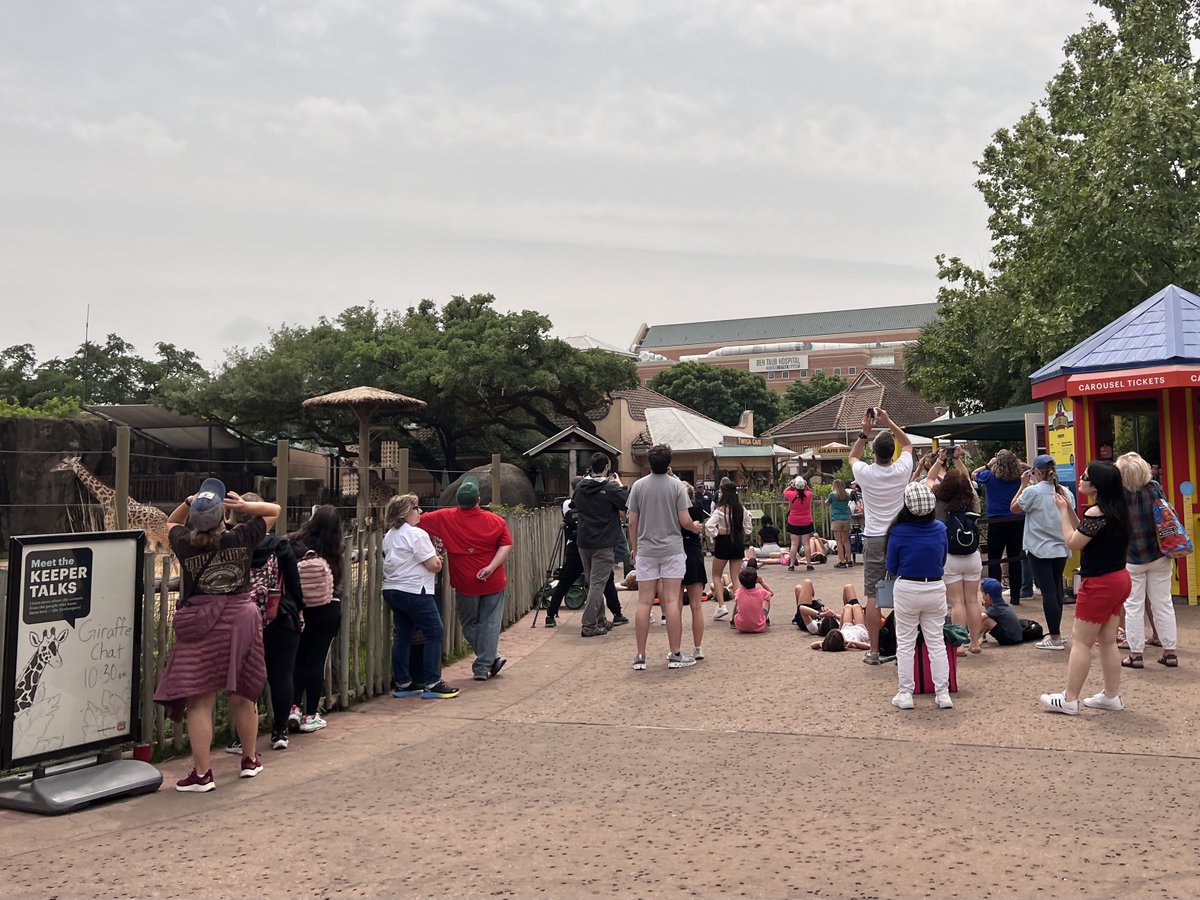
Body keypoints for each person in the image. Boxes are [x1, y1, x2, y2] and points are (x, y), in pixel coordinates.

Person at [156, 478, 280, 792]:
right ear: (223, 517)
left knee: (200, 700)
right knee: (243, 693)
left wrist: (188, 501)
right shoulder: (241, 536)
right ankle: (250, 759)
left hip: (200, 621)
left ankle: (202, 774)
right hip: (240, 618)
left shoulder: (183, 542)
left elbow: (170, 522)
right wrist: (242, 506)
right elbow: (274, 510)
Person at [1040, 460, 1131, 715]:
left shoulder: (1096, 513)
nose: (1080, 479)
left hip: (1099, 583)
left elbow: (1073, 542)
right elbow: (1085, 529)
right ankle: (1112, 695)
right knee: (1108, 640)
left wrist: (1060, 512)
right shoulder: (1116, 510)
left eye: (1085, 476)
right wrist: (1069, 508)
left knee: (1081, 642)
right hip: (1119, 578)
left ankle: (1070, 698)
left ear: (1097, 485)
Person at [225, 493, 303, 755]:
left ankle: (241, 738)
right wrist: (299, 610)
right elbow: (293, 582)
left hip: (242, 619)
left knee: (246, 680)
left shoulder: (229, 546)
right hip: (279, 615)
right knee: (282, 675)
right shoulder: (280, 546)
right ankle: (279, 732)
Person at [420, 477, 514, 681]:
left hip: (464, 581)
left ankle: (485, 663)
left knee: (469, 622)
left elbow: (419, 519)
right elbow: (506, 544)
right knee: (490, 622)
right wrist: (491, 567)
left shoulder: (445, 517)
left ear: (458, 501)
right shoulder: (495, 520)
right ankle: (488, 661)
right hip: (493, 579)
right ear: (478, 500)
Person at [627, 444, 705, 671]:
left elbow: (632, 521)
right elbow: (684, 520)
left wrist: (635, 548)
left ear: (649, 462)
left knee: (644, 601)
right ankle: (675, 654)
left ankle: (640, 656)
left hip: (646, 549)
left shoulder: (638, 486)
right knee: (672, 600)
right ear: (669, 462)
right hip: (671, 549)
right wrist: (695, 527)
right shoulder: (677, 486)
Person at [849, 407, 914, 665]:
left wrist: (865, 433)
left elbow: (853, 457)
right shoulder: (902, 470)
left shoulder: (865, 473)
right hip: (900, 535)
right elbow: (907, 444)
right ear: (891, 453)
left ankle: (874, 651)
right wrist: (888, 421)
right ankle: (902, 651)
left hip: (875, 537)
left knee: (873, 596)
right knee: (903, 593)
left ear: (874, 453)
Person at [381, 494, 458, 700]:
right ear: (407, 512)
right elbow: (433, 564)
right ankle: (432, 682)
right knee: (434, 631)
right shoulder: (417, 534)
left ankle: (403, 681)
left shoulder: (390, 535)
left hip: (392, 589)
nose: (420, 512)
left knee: (402, 633)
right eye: (416, 508)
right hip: (415, 589)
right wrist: (439, 562)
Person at [887, 481, 953, 711]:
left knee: (905, 643)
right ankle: (942, 693)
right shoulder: (940, 529)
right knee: (936, 642)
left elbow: (892, 565)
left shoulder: (897, 531)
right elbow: (942, 560)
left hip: (907, 588)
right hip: (935, 587)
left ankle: (906, 693)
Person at [1116, 452, 1178, 669]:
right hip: (1159, 553)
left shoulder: (1118, 494)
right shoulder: (1154, 488)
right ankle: (1169, 652)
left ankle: (1136, 654)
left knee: (1133, 605)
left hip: (1131, 556)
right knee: (1163, 603)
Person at [288, 504, 346, 733]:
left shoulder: (295, 544)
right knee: (316, 662)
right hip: (328, 609)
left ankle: (293, 707)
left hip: (299, 609)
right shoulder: (336, 550)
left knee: (297, 660)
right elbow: (338, 585)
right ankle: (310, 715)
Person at [1011, 454, 1074, 652]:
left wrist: (1022, 485)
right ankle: (1057, 634)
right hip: (1061, 546)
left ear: (1036, 472)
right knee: (1056, 590)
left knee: (1048, 592)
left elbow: (1014, 508)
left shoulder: (1032, 491)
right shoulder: (1065, 492)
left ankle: (1054, 636)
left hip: (1039, 547)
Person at [929, 456, 983, 655]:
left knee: (956, 602)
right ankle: (975, 642)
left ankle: (959, 645)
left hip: (950, 555)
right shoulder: (973, 501)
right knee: (972, 600)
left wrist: (941, 459)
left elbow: (929, 478)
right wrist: (958, 458)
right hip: (972, 555)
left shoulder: (939, 501)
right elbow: (967, 479)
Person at [571, 453, 629, 638]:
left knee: (593, 582)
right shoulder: (609, 488)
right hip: (603, 542)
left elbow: (575, 505)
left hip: (584, 540)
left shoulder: (580, 487)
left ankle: (600, 619)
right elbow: (627, 502)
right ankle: (588, 624)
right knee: (597, 584)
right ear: (606, 468)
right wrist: (619, 485)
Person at [544, 500, 625, 628]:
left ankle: (550, 615)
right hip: (593, 547)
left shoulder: (567, 507)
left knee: (564, 581)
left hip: (574, 549)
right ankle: (617, 613)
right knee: (606, 581)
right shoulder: (594, 508)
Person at [973, 449, 1027, 606]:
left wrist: (987, 465)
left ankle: (994, 596)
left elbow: (974, 474)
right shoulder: (1020, 476)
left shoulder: (990, 476)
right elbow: (1033, 468)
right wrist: (1019, 463)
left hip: (996, 521)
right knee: (1015, 558)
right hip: (1017, 519)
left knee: (994, 560)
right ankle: (1016, 596)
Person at [705, 480, 752, 620]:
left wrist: (716, 533)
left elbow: (708, 526)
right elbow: (748, 528)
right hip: (737, 541)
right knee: (735, 577)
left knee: (716, 575)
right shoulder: (741, 509)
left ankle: (721, 605)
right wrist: (739, 531)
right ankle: (740, 606)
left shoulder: (720, 510)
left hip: (723, 542)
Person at [681, 481, 709, 660]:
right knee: (696, 606)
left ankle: (674, 647)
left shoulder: (674, 512)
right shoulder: (697, 509)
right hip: (694, 553)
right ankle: (698, 647)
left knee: (674, 605)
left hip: (676, 554)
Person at [783, 476, 816, 572]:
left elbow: (785, 491)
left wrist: (791, 485)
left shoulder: (791, 494)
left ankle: (792, 564)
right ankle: (809, 564)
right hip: (806, 520)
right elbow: (810, 491)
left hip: (793, 521)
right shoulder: (808, 494)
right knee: (806, 544)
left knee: (794, 544)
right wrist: (806, 485)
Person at [978, 577, 1023, 646]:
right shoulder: (1002, 605)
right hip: (1016, 637)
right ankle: (981, 636)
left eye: (983, 594)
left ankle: (972, 637)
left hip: (1009, 639)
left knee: (987, 620)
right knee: (989, 619)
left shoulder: (996, 608)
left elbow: (979, 618)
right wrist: (987, 607)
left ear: (987, 596)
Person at [731, 568, 771, 633]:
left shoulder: (739, 592)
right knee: (767, 600)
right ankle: (764, 618)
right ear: (756, 580)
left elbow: (740, 589)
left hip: (741, 627)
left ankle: (732, 621)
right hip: (759, 627)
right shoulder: (762, 592)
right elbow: (771, 593)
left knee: (737, 602)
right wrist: (762, 583)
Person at [825, 480, 853, 568]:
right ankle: (849, 559)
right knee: (846, 541)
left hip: (836, 519)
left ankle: (842, 561)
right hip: (846, 519)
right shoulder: (846, 495)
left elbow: (826, 503)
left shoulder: (832, 495)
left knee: (839, 542)